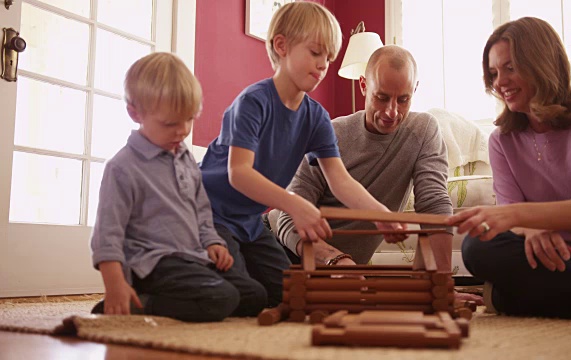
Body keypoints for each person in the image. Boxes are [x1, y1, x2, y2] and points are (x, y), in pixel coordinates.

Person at [199, 2, 405, 308]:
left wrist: (381, 216)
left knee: (293, 295)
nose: (323, 64)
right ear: (281, 46)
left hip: (250, 224)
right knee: (248, 297)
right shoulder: (253, 103)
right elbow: (238, 173)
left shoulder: (316, 118)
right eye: (315, 52)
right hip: (210, 217)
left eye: (329, 57)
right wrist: (295, 204)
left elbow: (339, 180)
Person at [446, 17, 571, 321]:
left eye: (510, 68)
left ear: (542, 62)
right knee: (477, 246)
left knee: (506, 295)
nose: (499, 82)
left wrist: (516, 217)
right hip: (556, 258)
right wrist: (528, 226)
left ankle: (525, 300)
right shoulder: (501, 141)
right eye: (494, 73)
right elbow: (514, 216)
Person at [90, 52, 267, 322]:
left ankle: (190, 295)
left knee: (255, 295)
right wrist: (115, 285)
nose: (182, 131)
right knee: (222, 298)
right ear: (135, 112)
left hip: (194, 258)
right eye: (170, 123)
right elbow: (107, 235)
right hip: (153, 265)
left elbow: (201, 212)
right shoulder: (123, 167)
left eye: (189, 119)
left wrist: (213, 242)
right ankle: (142, 303)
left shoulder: (183, 158)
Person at [272, 45, 454, 270]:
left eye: (403, 100)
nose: (392, 112)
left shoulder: (423, 130)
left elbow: (433, 205)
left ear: (415, 90)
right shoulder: (330, 134)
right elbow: (289, 219)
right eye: (382, 97)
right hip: (281, 249)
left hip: (341, 270)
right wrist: (338, 261)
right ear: (364, 86)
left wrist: (443, 285)